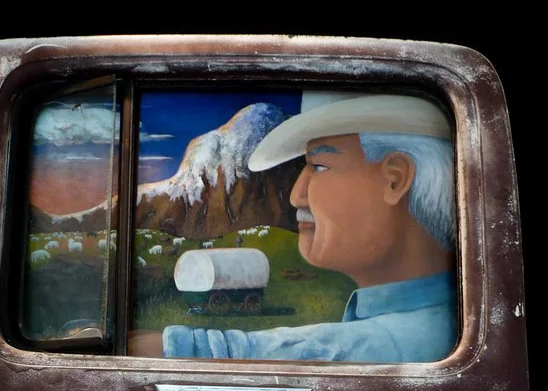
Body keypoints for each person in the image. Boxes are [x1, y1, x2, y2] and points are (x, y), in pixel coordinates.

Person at [159, 92, 457, 362]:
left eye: (319, 166)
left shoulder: (417, 342)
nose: (296, 194)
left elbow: (344, 349)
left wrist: (180, 348)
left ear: (395, 179)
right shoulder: (442, 322)